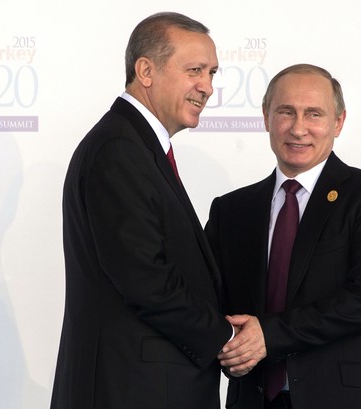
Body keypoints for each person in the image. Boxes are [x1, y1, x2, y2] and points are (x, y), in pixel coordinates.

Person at [50, 12, 234, 409]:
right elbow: (147, 281)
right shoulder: (119, 150)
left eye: (212, 73)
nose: (207, 87)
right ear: (146, 70)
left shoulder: (135, 146)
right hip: (132, 390)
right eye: (195, 70)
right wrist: (228, 340)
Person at [207, 64, 361, 409]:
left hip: (346, 399)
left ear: (338, 122)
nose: (298, 128)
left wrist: (270, 335)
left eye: (313, 114)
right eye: (286, 112)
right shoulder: (231, 210)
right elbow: (209, 302)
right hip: (253, 400)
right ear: (266, 117)